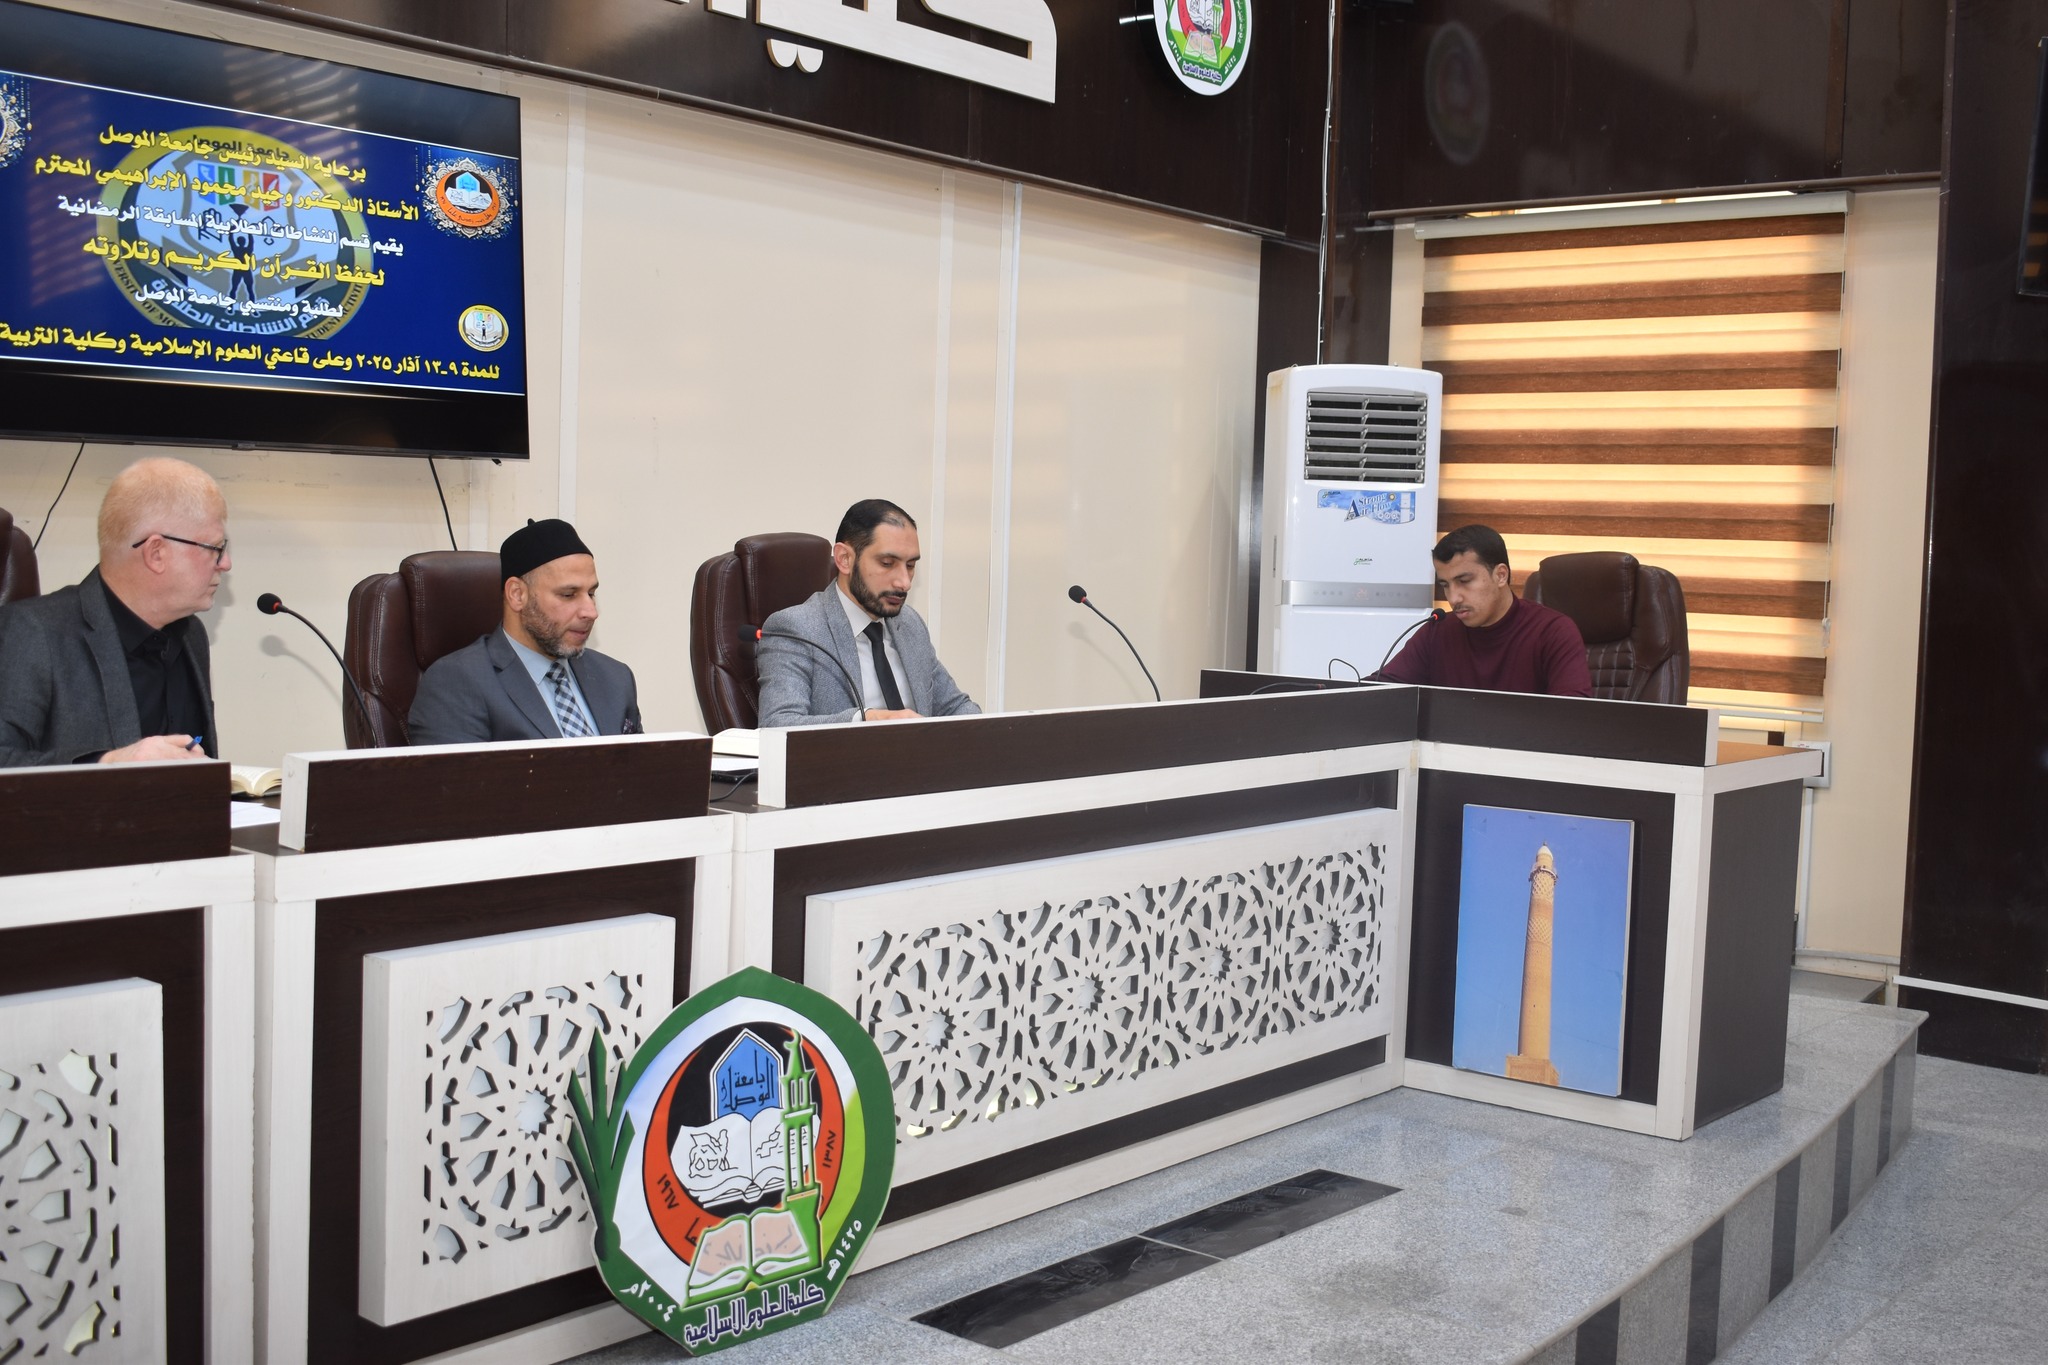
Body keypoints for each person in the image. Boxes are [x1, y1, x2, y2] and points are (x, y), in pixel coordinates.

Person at [0, 456, 228, 767]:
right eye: (215, 548)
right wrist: (107, 763)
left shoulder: (192, 636)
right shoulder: (33, 631)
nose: (225, 563)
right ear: (156, 553)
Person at [408, 518, 643, 744]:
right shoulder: (457, 683)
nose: (590, 612)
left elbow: (642, 768)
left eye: (591, 593)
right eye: (568, 595)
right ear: (517, 595)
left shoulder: (615, 678)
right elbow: (459, 774)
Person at [756, 499, 979, 727]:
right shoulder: (796, 629)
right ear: (845, 559)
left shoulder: (910, 624)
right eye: (887, 563)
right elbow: (777, 724)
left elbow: (955, 707)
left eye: (910, 565)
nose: (904, 583)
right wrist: (868, 718)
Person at [1371, 524, 1593, 698]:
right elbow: (1382, 688)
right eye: (1445, 585)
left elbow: (1572, 716)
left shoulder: (1553, 632)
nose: (1453, 598)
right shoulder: (1438, 630)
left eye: (1464, 581)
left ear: (1500, 575)